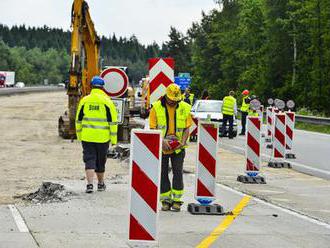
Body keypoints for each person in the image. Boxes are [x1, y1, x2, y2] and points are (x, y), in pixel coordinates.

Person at [149, 84, 192, 212]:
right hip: (162, 146)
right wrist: (161, 140)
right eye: (171, 100)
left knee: (178, 172)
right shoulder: (156, 107)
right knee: (162, 173)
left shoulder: (184, 107)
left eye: (176, 100)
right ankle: (166, 201)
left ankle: (177, 201)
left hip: (178, 147)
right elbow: (152, 127)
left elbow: (186, 127)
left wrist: (183, 142)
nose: (173, 102)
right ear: (166, 96)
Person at [75, 76, 118, 193]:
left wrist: (79, 135)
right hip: (103, 138)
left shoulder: (84, 100)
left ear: (91, 86)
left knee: (89, 159)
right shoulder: (107, 101)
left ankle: (89, 185)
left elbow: (78, 120)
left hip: (87, 136)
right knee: (100, 161)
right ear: (103, 88)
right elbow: (113, 122)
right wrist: (114, 140)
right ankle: (100, 183)